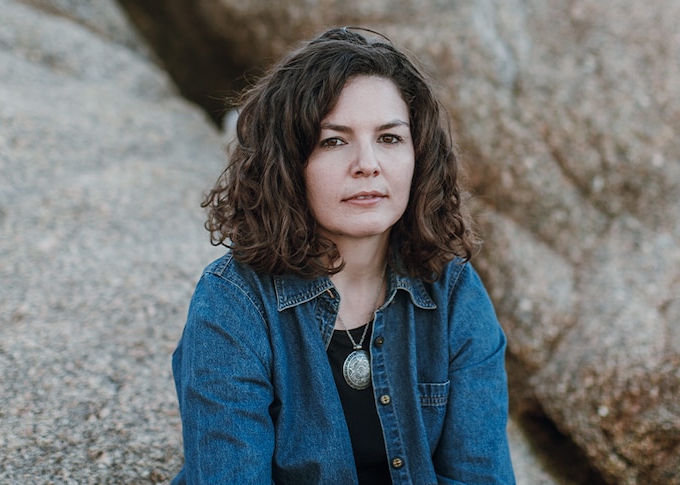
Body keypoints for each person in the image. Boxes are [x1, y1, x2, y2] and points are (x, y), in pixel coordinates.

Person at [171, 26, 515, 485]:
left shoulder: (453, 292)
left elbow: (481, 476)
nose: (367, 163)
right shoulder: (234, 301)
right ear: (289, 163)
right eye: (334, 140)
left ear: (419, 154)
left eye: (390, 138)